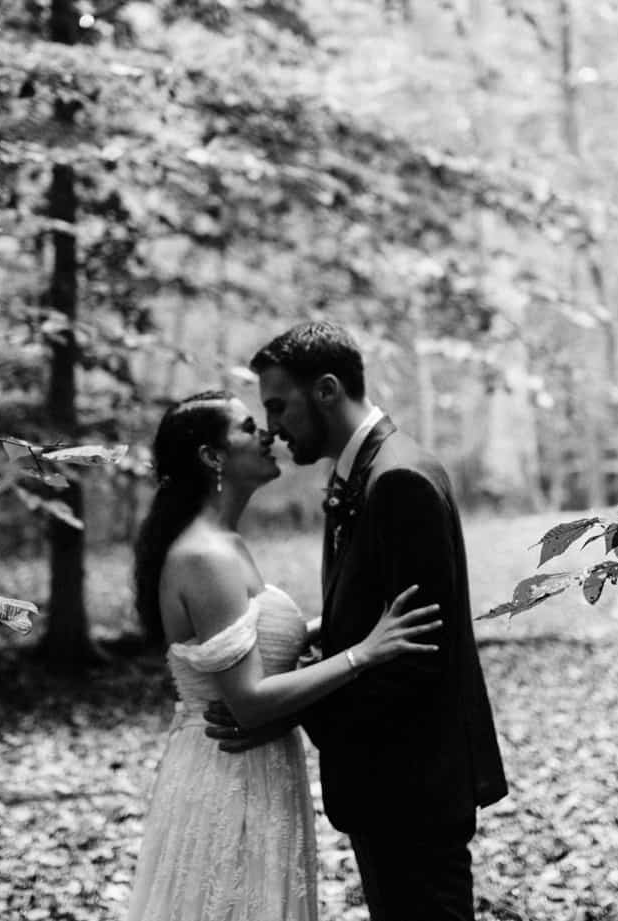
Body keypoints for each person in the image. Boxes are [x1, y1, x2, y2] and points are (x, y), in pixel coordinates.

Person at [223, 322, 508, 921]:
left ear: (326, 390)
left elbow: (413, 653)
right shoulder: (362, 474)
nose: (271, 427)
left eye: (277, 405)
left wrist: (283, 705)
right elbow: (368, 616)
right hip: (387, 781)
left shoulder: (397, 479)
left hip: (412, 785)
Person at [126, 389, 443, 921]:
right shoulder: (204, 556)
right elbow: (248, 702)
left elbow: (259, 647)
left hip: (261, 768)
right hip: (229, 777)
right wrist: (363, 654)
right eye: (250, 427)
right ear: (212, 456)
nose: (268, 434)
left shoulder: (223, 543)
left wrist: (347, 623)